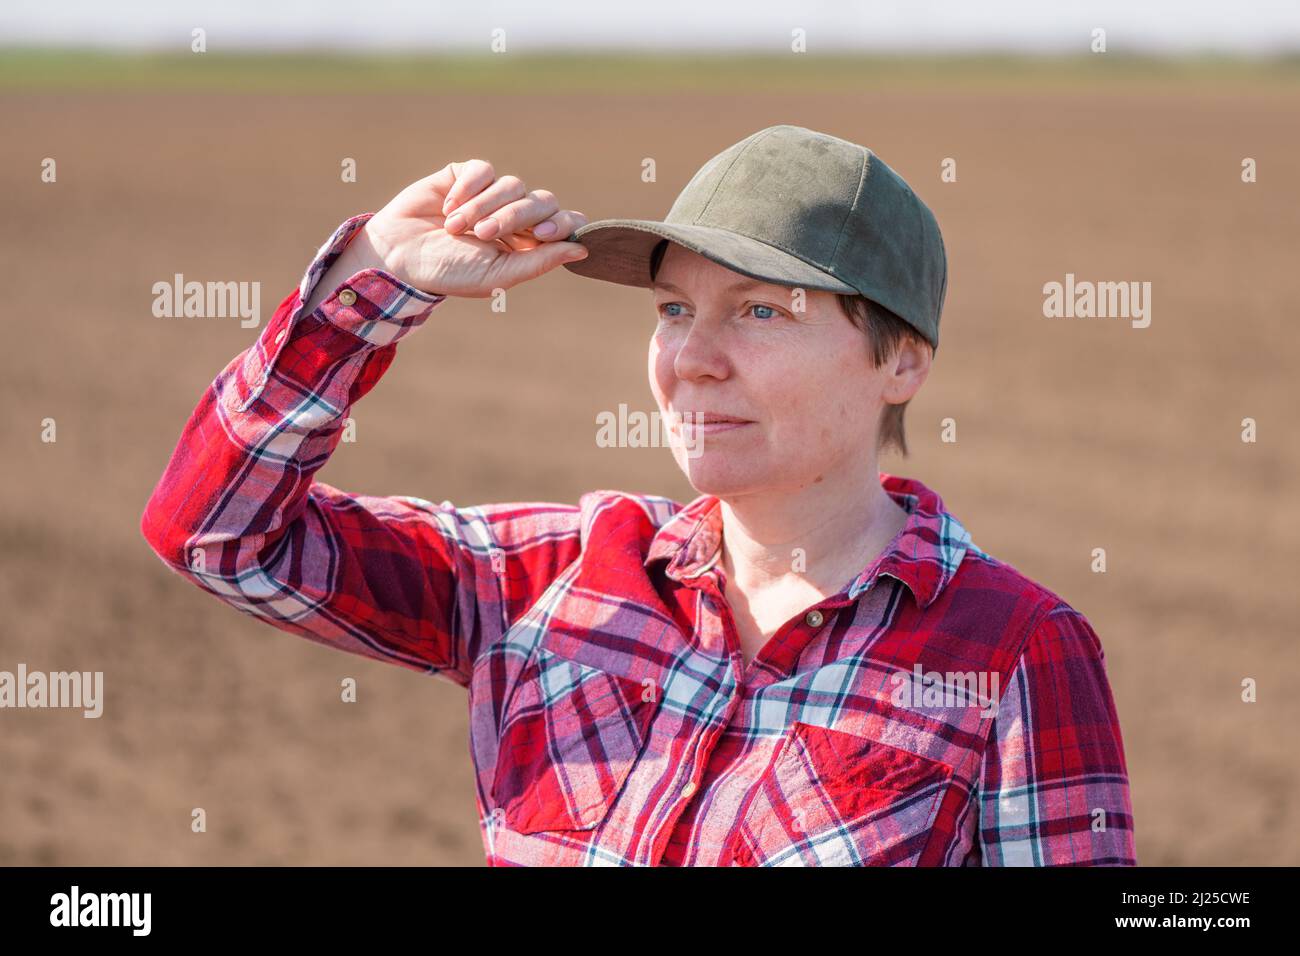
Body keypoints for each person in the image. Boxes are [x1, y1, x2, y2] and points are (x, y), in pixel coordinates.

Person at [141, 124, 1135, 866]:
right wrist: (375, 281)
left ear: (901, 361)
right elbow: (220, 535)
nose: (692, 359)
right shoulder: (555, 573)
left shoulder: (1012, 654)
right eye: (672, 309)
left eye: (758, 310)